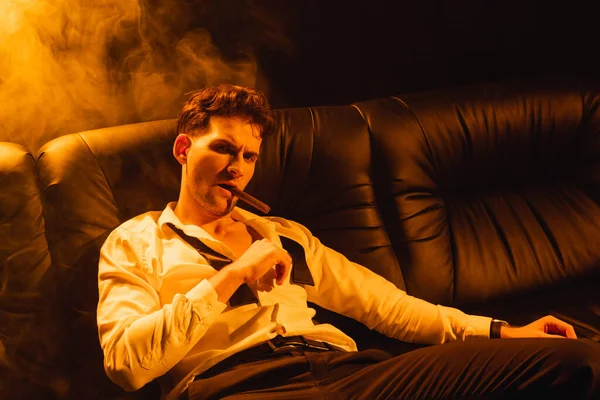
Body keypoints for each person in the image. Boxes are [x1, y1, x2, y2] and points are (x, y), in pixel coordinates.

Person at [97, 84, 600, 400]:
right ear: (184, 149)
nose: (238, 168)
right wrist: (230, 277)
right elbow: (126, 365)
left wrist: (500, 332)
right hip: (240, 385)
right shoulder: (136, 242)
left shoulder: (286, 236)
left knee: (579, 361)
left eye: (249, 157)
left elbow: (390, 308)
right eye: (224, 149)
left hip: (350, 372)